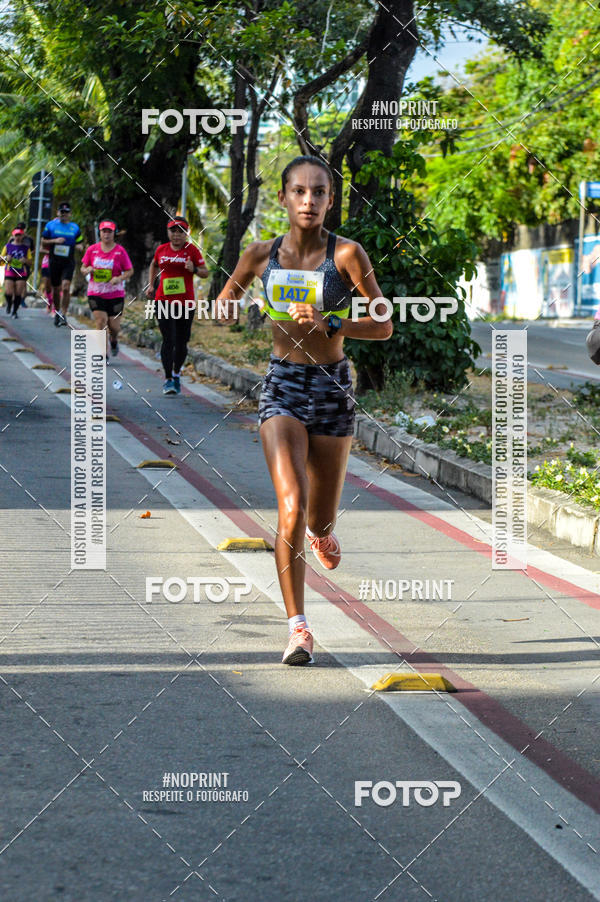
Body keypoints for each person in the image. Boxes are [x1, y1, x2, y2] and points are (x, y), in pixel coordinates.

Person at [216, 155, 392, 666]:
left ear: (330, 200)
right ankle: (298, 629)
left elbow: (383, 324)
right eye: (299, 191)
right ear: (284, 199)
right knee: (289, 506)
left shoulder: (347, 255)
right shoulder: (259, 253)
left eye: (319, 192)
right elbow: (226, 303)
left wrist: (332, 322)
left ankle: (322, 532)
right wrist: (231, 304)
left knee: (318, 517)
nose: (309, 201)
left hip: (333, 388)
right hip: (283, 387)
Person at [146, 216, 208, 394]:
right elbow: (154, 264)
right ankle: (168, 379)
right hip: (163, 301)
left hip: (186, 303)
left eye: (181, 231)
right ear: (168, 232)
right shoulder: (161, 249)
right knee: (168, 339)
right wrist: (151, 285)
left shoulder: (192, 251)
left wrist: (194, 269)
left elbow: (205, 273)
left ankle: (176, 373)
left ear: (186, 233)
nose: (177, 235)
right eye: (173, 231)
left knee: (182, 342)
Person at [80, 220, 133, 361]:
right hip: (95, 292)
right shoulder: (92, 250)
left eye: (109, 231)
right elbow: (83, 267)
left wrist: (119, 278)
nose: (106, 234)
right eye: (104, 231)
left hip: (115, 294)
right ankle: (102, 354)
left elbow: (129, 271)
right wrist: (87, 270)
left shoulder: (120, 251)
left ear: (114, 233)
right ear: (100, 233)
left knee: (114, 327)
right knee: (101, 321)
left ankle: (113, 341)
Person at [41, 201, 83, 327]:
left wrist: (79, 246)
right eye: (62, 212)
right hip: (54, 261)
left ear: (70, 214)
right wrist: (55, 241)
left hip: (68, 261)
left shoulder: (75, 228)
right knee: (56, 288)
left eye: (66, 212)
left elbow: (80, 242)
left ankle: (64, 313)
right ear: (58, 213)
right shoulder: (51, 226)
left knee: (66, 287)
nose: (64, 214)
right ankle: (57, 311)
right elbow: (43, 242)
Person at [1, 227, 32, 318]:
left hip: (21, 272)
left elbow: (30, 262)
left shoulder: (26, 248)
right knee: (8, 292)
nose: (18, 237)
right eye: (16, 235)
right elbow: (1, 259)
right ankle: (9, 304)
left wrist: (25, 260)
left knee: (18, 293)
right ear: (13, 235)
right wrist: (6, 258)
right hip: (10, 270)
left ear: (23, 236)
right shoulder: (7, 246)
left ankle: (15, 311)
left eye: (20, 235)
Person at [14, 222, 33, 307]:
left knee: (23, 282)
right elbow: (8, 247)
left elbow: (33, 250)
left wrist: (26, 255)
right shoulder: (12, 238)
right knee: (14, 282)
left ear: (25, 230)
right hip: (14, 263)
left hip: (25, 263)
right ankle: (14, 299)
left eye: (22, 229)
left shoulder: (29, 239)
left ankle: (22, 300)